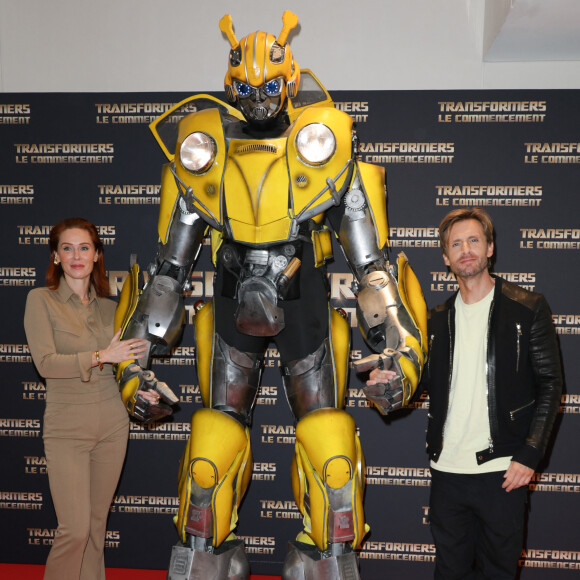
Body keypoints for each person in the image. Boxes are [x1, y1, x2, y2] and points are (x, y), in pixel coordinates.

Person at [113, 11, 428, 580]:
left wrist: (401, 352)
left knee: (329, 447)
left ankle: (326, 556)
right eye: (246, 90)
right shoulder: (202, 153)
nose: (258, 100)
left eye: (267, 88)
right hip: (233, 301)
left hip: (304, 300)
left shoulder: (325, 146)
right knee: (210, 449)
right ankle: (207, 556)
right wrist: (136, 364)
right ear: (231, 87)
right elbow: (169, 273)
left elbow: (372, 268)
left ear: (290, 81)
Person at [369, 207, 563, 579]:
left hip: (502, 470)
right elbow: (419, 383)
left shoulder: (527, 308)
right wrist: (388, 383)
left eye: (474, 240)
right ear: (446, 258)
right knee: (450, 573)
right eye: (456, 244)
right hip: (447, 472)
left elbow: (552, 385)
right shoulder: (434, 320)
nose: (466, 250)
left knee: (498, 573)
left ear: (490, 248)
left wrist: (530, 454)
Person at [24, 217, 154, 580]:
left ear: (97, 255)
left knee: (96, 529)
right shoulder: (40, 301)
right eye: (67, 248)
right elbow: (47, 364)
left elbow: (123, 366)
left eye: (85, 248)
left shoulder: (113, 310)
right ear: (55, 256)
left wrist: (139, 381)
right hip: (67, 429)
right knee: (75, 529)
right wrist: (101, 356)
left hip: (113, 425)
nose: (76, 255)